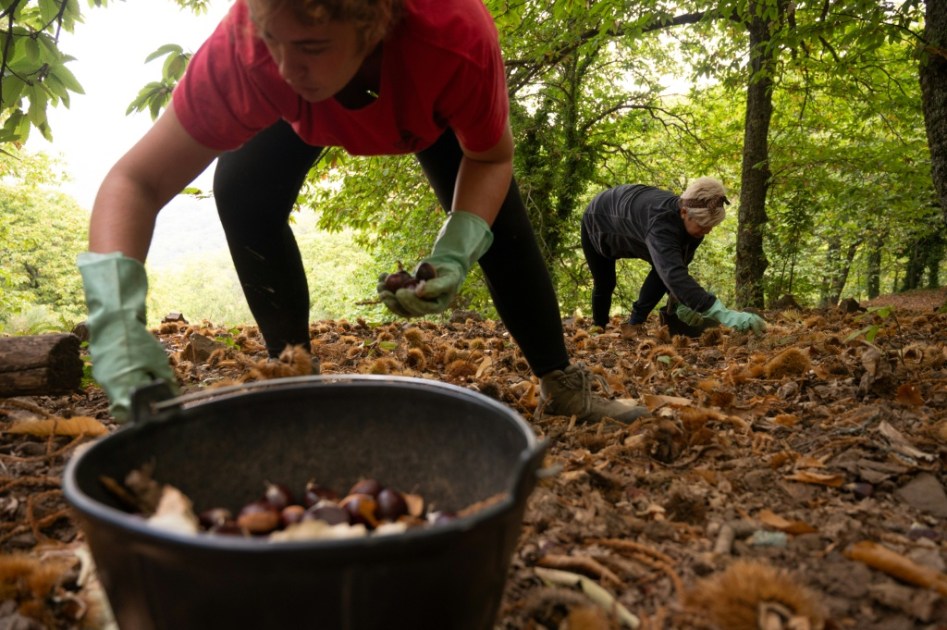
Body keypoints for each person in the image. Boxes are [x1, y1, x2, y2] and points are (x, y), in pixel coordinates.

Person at [78, 0, 649, 424]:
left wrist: (456, 252)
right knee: (242, 193)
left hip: (422, 109)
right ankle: (292, 377)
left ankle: (560, 381)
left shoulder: (453, 37)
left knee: (501, 227)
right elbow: (135, 181)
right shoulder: (248, 51)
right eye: (273, 40)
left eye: (310, 46)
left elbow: (491, 157)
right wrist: (114, 320)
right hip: (298, 115)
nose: (284, 66)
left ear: (374, 23)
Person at [580, 178, 766, 333]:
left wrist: (681, 301)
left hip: (633, 223)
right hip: (598, 220)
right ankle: (598, 326)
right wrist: (723, 314)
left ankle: (634, 324)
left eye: (711, 226)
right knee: (605, 283)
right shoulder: (661, 225)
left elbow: (675, 268)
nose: (708, 231)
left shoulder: (694, 226)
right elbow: (673, 275)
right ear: (684, 212)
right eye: (703, 225)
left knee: (660, 270)